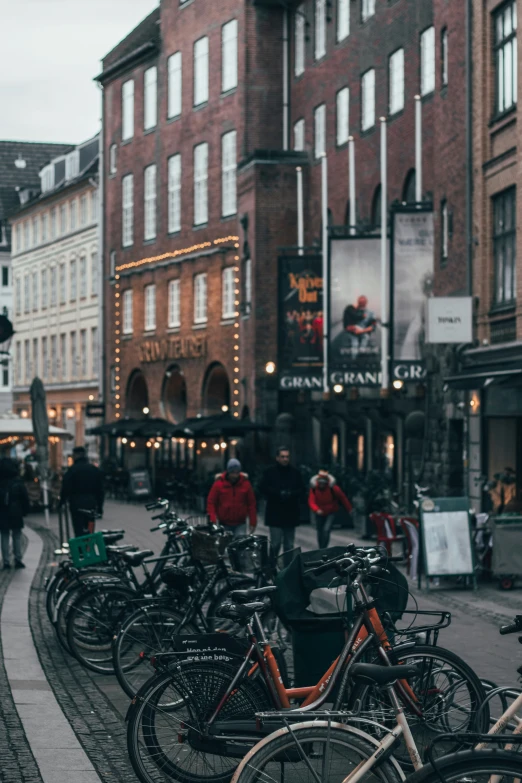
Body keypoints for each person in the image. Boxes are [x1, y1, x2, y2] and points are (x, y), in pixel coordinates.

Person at [259, 447, 305, 567]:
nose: (285, 459)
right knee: (276, 543)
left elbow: (301, 490)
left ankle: (287, 569)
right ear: (277, 458)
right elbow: (263, 488)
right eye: (283, 457)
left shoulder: (295, 473)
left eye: (287, 457)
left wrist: (291, 494)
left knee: (289, 545)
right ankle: (271, 567)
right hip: (275, 513)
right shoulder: (269, 473)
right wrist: (277, 493)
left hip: (290, 513)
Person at [60, 447, 104, 538]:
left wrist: (62, 502)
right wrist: (100, 507)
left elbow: (65, 487)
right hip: (91, 503)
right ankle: (89, 548)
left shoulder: (72, 470)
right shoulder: (94, 469)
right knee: (90, 529)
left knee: (78, 530)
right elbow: (100, 490)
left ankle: (80, 550)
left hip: (76, 503)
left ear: (76, 455)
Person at [207, 459, 257, 537]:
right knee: (225, 545)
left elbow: (251, 503)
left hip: (240, 522)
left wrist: (253, 521)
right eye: (232, 472)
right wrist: (212, 519)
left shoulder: (245, 484)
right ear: (228, 472)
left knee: (240, 545)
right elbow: (211, 502)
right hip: (224, 522)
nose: (235, 475)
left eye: (237, 472)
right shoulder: (219, 484)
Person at [308, 468, 353, 549]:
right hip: (319, 512)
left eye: (324, 483)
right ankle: (321, 547)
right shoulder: (314, 489)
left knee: (326, 530)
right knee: (319, 531)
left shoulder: (334, 488)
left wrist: (349, 509)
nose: (322, 484)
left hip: (330, 512)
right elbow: (311, 501)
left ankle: (324, 548)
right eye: (320, 482)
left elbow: (343, 498)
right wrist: (316, 510)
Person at [0, 459, 30, 569]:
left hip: (2, 512)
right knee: (17, 535)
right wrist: (25, 511)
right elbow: (25, 498)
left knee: (4, 536)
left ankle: (6, 562)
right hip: (16, 511)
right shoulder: (18, 482)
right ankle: (18, 559)